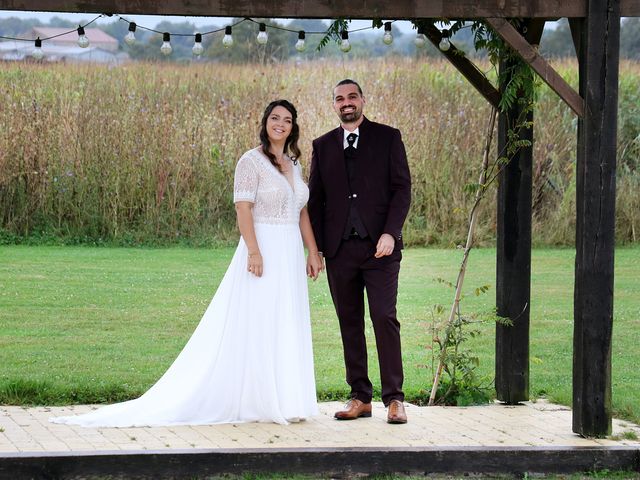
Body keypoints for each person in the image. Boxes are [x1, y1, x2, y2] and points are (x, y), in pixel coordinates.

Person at [50, 100, 322, 427]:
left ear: (293, 127)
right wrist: (253, 250)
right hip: (263, 247)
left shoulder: (293, 164)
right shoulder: (251, 161)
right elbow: (243, 208)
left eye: (287, 120)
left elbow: (301, 211)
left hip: (289, 251)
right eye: (275, 118)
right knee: (260, 318)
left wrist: (313, 250)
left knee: (285, 320)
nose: (280, 124)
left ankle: (287, 398)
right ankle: (258, 398)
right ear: (265, 122)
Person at [308, 79, 411, 424]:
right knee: (349, 322)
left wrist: (390, 234)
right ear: (334, 105)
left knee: (383, 317)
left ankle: (395, 399)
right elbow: (316, 201)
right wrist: (319, 248)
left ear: (362, 100)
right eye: (339, 98)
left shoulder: (388, 137)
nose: (346, 103)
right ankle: (360, 396)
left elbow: (401, 189)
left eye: (352, 96)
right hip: (339, 251)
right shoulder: (322, 146)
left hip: (379, 250)